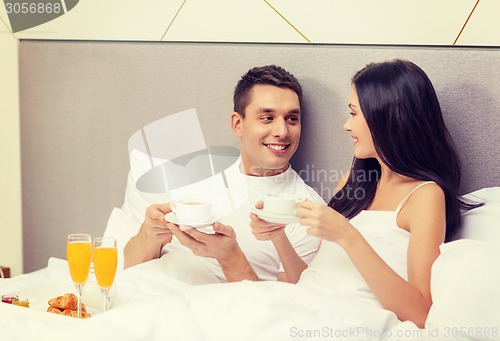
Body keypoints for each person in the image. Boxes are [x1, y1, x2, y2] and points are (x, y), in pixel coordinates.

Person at [250, 59, 480, 327]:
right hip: (306, 309)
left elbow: (420, 312)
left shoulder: (424, 196)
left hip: (347, 322)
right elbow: (312, 280)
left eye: (354, 113)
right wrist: (279, 238)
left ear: (387, 117)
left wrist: (347, 235)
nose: (347, 126)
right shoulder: (352, 185)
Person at [123, 64, 324, 283]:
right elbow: (130, 269)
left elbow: (287, 308)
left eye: (291, 119)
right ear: (238, 124)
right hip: (149, 298)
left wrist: (229, 256)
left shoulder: (308, 210)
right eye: (267, 118)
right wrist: (149, 234)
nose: (282, 132)